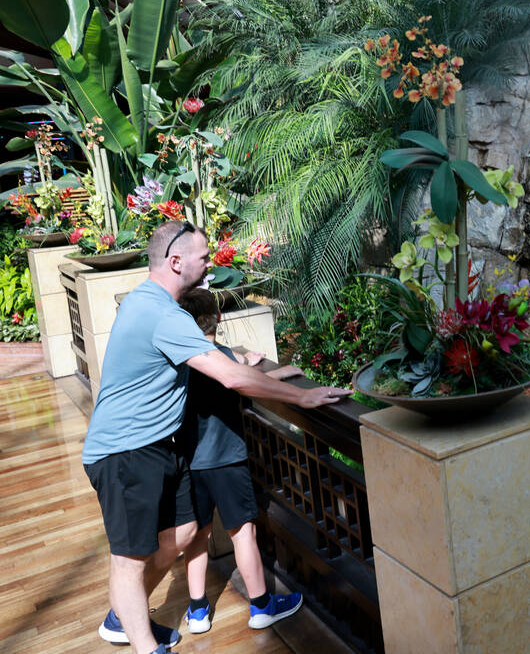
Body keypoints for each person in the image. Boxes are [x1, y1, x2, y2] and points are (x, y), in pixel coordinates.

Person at [81, 220, 351, 654]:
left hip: (156, 448)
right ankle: (146, 645)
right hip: (124, 452)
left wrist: (249, 361)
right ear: (175, 261)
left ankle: (122, 616)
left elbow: (211, 359)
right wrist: (300, 399)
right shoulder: (161, 312)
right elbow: (228, 377)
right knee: (129, 561)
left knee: (186, 530)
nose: (210, 264)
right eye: (204, 256)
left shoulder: (148, 301)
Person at [176, 287, 305, 633]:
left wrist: (245, 362)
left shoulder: (182, 359)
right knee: (242, 533)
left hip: (190, 459)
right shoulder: (219, 357)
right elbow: (244, 382)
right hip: (226, 458)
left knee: (197, 536)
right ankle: (262, 606)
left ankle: (198, 611)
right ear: (218, 318)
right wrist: (281, 373)